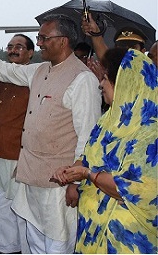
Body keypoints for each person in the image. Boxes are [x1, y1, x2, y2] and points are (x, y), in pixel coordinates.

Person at [0, 14, 101, 253]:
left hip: (59, 185)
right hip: (30, 176)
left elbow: (88, 138)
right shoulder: (39, 70)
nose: (40, 42)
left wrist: (77, 182)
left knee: (57, 243)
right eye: (39, 37)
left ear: (63, 41)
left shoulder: (82, 79)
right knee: (34, 242)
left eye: (44, 38)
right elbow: (1, 69)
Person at [51, 48, 157, 253]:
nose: (101, 83)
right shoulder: (108, 119)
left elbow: (137, 190)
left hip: (125, 239)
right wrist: (72, 171)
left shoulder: (151, 131)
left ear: (127, 82)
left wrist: (89, 174)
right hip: (92, 230)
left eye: (106, 78)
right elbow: (88, 155)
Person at [82, 13, 147, 60]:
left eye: (132, 47)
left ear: (143, 51)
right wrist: (95, 32)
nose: (127, 52)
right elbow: (105, 57)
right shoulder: (116, 70)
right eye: (121, 48)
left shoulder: (151, 74)